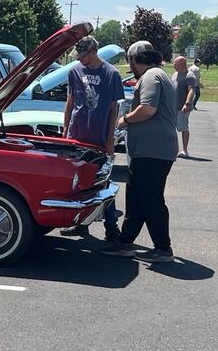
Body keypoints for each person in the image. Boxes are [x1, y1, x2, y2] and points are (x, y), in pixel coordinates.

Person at [106, 42, 178, 262]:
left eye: (130, 62)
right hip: (149, 150)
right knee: (137, 198)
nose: (132, 69)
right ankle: (126, 242)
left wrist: (125, 120)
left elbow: (147, 109)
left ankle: (163, 248)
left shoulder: (150, 77)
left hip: (152, 151)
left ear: (135, 59)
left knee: (151, 199)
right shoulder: (161, 75)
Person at [62, 36, 125, 242]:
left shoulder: (111, 74)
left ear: (92, 52)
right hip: (76, 135)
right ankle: (80, 224)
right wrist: (65, 133)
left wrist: (109, 140)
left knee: (103, 183)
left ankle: (111, 228)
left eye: (83, 56)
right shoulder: (74, 71)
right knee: (78, 184)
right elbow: (70, 102)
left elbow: (113, 108)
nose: (80, 60)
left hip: (98, 138)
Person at [173, 55, 199, 158]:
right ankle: (173, 149)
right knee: (171, 128)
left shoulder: (189, 76)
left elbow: (191, 90)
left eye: (175, 63)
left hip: (183, 107)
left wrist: (187, 103)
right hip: (173, 106)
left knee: (183, 127)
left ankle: (184, 150)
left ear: (181, 64)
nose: (173, 65)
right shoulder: (175, 74)